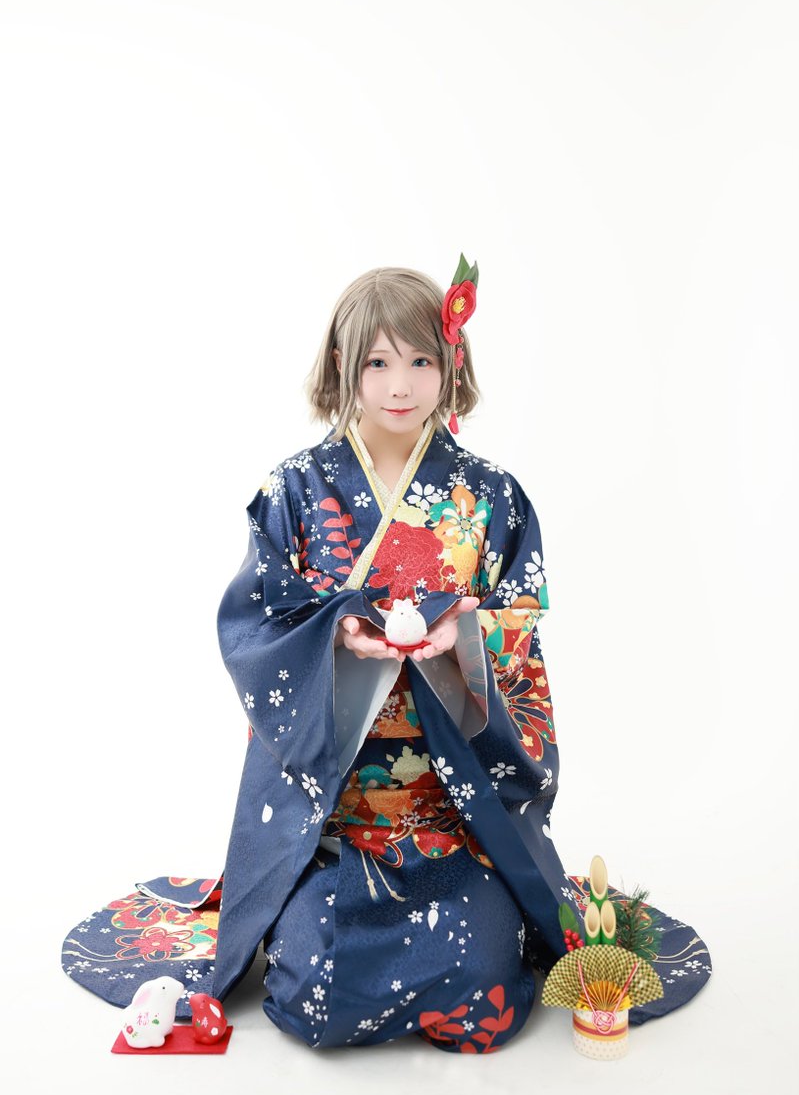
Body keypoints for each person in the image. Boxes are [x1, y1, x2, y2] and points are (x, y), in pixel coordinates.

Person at [61, 257, 711, 1051]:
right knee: (312, 993)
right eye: (376, 362)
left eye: (419, 360)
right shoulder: (295, 489)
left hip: (454, 816)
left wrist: (459, 636)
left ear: (450, 364)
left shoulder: (490, 495)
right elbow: (255, 623)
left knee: (482, 993)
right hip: (333, 821)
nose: (399, 386)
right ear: (343, 364)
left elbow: (519, 622)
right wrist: (335, 633)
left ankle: (484, 913)